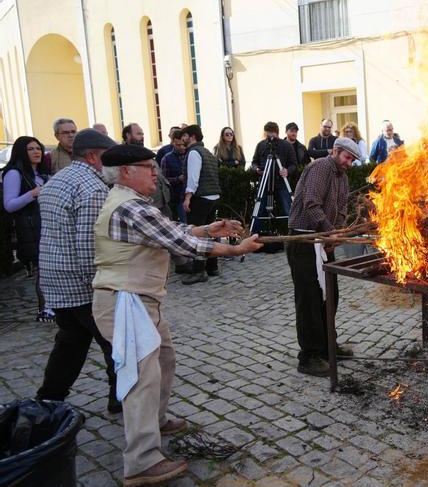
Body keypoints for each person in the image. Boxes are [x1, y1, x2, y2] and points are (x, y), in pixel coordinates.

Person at [90, 143, 262, 486]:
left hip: (139, 302)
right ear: (126, 172)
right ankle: (141, 461)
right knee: (142, 379)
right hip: (126, 302)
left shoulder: (134, 205)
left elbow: (170, 232)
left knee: (164, 359)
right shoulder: (131, 207)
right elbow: (181, 244)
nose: (156, 172)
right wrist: (234, 248)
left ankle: (156, 420)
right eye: (147, 167)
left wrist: (207, 229)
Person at [35, 129, 120, 413]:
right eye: (109, 158)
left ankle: (48, 399)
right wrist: (99, 285)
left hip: (54, 277)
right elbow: (88, 243)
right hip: (81, 283)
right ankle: (121, 400)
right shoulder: (93, 188)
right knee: (115, 342)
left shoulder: (56, 180)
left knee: (70, 343)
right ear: (93, 156)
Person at [286, 137, 360, 377]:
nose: (350, 163)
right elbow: (311, 204)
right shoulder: (320, 167)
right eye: (347, 158)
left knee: (330, 296)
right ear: (336, 151)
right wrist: (329, 232)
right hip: (304, 240)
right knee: (309, 300)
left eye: (353, 160)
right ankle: (308, 356)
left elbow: (341, 209)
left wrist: (336, 233)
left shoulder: (343, 177)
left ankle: (329, 346)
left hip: (323, 240)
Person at [3, 136, 51, 321]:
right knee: (43, 268)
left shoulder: (42, 173)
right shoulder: (15, 174)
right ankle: (45, 309)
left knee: (48, 267)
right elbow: (9, 204)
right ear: (22, 152)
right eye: (31, 149)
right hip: (29, 228)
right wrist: (32, 194)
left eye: (38, 148)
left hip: (45, 225)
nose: (36, 152)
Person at [181, 125, 222, 284]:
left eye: (184, 136)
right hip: (213, 197)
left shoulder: (193, 153)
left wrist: (187, 197)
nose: (182, 139)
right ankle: (212, 267)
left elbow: (193, 178)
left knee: (197, 234)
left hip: (201, 198)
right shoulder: (208, 153)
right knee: (211, 233)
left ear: (192, 137)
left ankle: (199, 270)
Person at [160, 130, 188, 223]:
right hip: (175, 197)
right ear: (172, 143)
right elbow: (163, 180)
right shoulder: (167, 158)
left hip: (191, 197)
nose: (181, 147)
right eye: (177, 145)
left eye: (183, 144)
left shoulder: (190, 154)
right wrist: (178, 179)